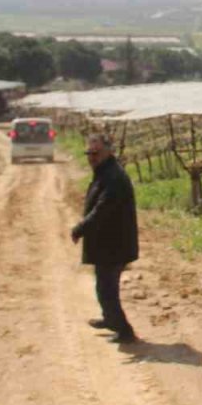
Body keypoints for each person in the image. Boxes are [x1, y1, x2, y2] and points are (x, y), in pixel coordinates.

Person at [70, 132, 139, 343]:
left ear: (109, 151)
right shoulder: (104, 172)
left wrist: (80, 228)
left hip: (114, 244)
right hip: (108, 244)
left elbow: (102, 209)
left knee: (106, 289)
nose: (92, 157)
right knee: (104, 285)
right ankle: (110, 319)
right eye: (89, 153)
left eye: (96, 152)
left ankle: (124, 330)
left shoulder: (113, 177)